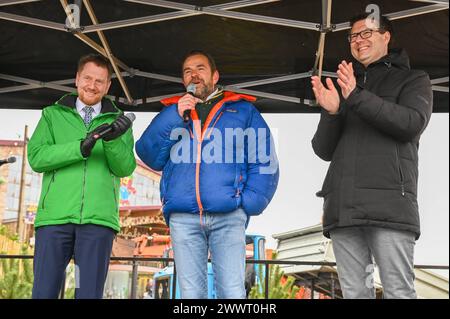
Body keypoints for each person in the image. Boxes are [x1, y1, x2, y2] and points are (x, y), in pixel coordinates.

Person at [136, 50, 279, 299]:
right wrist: (173, 115)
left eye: (200, 68)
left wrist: (248, 204)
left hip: (228, 216)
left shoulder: (243, 111)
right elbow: (148, 154)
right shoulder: (172, 112)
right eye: (187, 71)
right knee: (190, 295)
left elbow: (265, 159)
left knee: (232, 293)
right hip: (183, 218)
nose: (194, 74)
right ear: (183, 81)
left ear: (215, 75)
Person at [311, 13, 433, 299]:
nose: (359, 40)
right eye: (354, 36)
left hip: (389, 207)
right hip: (343, 210)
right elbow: (323, 150)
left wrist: (355, 96)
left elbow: (410, 124)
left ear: (386, 37)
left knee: (398, 292)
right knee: (355, 294)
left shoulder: (414, 79)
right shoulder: (346, 84)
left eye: (367, 33)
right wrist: (332, 112)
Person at [28, 53, 136, 299]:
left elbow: (125, 168)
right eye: (87, 78)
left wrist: (111, 140)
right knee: (44, 293)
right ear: (77, 79)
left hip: (98, 222)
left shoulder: (118, 122)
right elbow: (36, 157)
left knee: (87, 294)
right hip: (54, 219)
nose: (92, 85)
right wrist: (80, 148)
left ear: (108, 85)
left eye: (100, 81)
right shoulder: (51, 115)